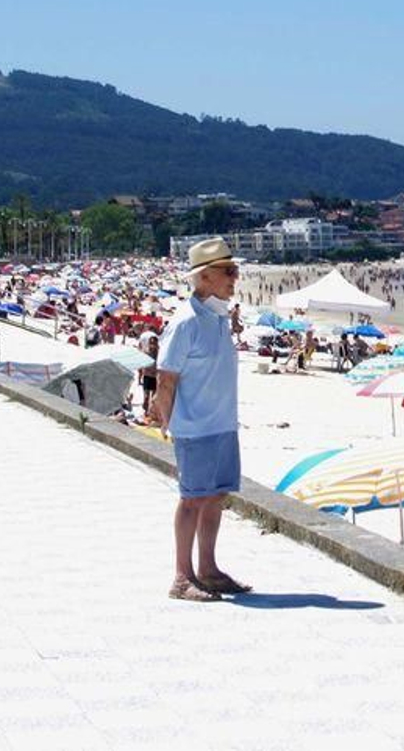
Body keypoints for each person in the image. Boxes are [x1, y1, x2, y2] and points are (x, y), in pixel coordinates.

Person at [151, 238, 250, 602]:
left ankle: (207, 569)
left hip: (223, 423)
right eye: (229, 272)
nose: (234, 278)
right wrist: (165, 420)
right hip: (195, 427)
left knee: (216, 497)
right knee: (192, 499)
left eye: (235, 271)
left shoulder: (218, 316)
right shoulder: (186, 322)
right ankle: (182, 576)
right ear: (204, 277)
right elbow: (167, 377)